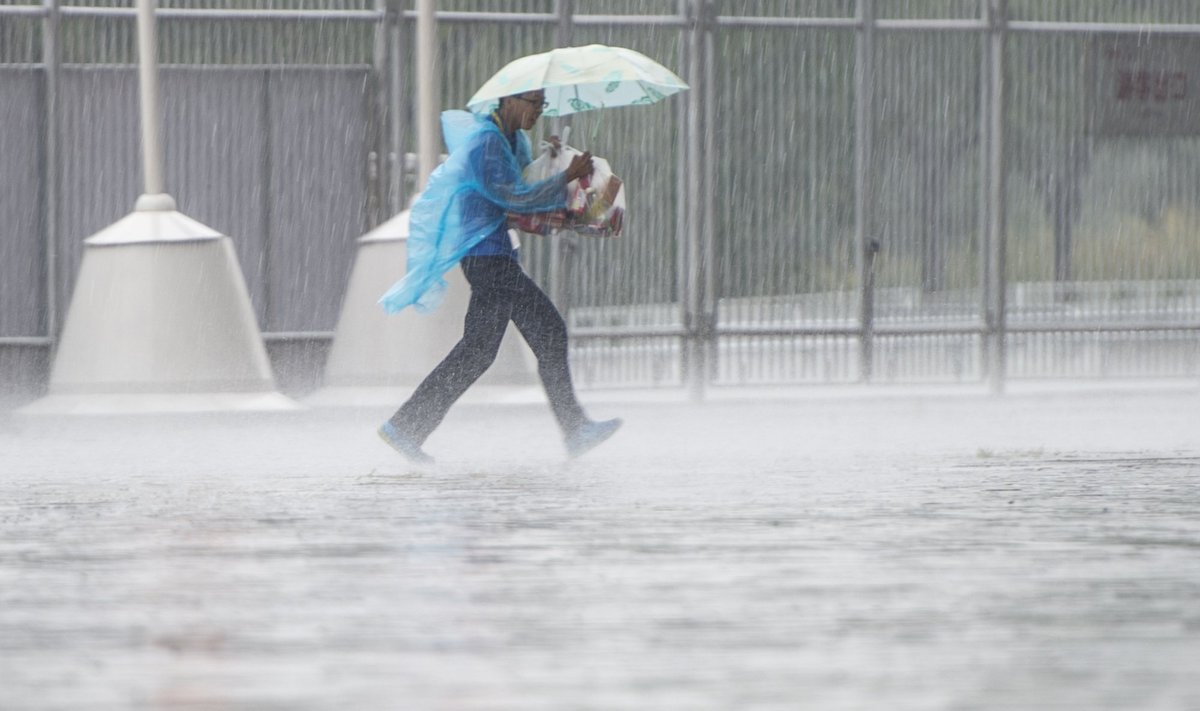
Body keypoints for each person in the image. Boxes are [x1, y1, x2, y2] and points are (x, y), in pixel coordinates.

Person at [377, 89, 622, 464]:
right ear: (508, 100)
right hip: (487, 257)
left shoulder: (511, 139)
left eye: (542, 106)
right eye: (532, 104)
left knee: (480, 351)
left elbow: (523, 177)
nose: (537, 112)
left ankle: (407, 426)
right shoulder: (487, 143)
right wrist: (565, 179)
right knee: (544, 334)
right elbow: (515, 196)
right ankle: (574, 430)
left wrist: (552, 158)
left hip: (494, 255)